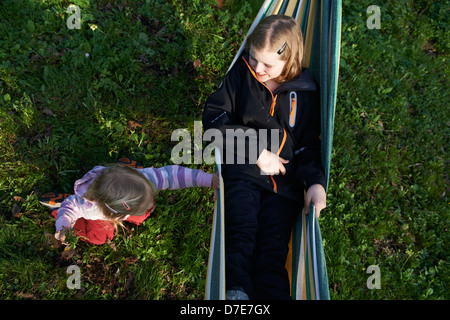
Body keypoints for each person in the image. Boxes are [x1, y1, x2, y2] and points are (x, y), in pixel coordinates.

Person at [202, 15, 326, 300]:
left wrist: (316, 184)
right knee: (240, 234)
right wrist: (255, 152)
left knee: (272, 252)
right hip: (243, 173)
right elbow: (213, 124)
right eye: (254, 58)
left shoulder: (305, 93)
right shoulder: (241, 76)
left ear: (290, 59)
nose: (258, 68)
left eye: (267, 64)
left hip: (285, 188)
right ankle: (235, 293)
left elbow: (308, 146)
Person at [49, 164, 218, 245]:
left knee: (143, 215)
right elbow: (70, 209)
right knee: (99, 237)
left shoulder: (145, 179)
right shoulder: (90, 207)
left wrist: (209, 180)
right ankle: (59, 208)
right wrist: (64, 227)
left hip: (125, 196)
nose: (152, 201)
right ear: (115, 215)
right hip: (88, 209)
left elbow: (173, 175)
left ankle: (129, 168)